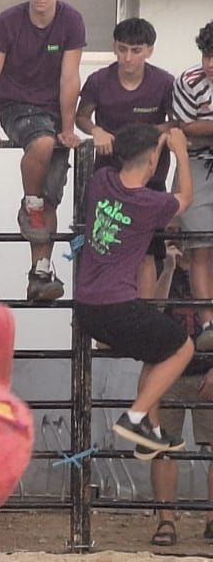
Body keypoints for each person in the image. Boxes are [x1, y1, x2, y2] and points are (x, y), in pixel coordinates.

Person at [73, 124, 194, 457]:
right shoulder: (151, 203)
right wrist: (181, 152)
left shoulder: (102, 181)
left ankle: (150, 432)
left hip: (87, 306)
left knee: (158, 349)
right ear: (153, 162)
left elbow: (112, 156)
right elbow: (186, 198)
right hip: (118, 306)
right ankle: (134, 417)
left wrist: (112, 135)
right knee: (183, 348)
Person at [0, 0, 86, 303]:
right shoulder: (7, 22)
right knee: (40, 144)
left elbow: (70, 78)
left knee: (53, 188)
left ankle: (41, 271)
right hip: (17, 106)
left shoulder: (72, 21)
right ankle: (30, 202)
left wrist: (69, 127)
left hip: (54, 111)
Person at [77, 17, 178, 306]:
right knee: (103, 248)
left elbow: (177, 123)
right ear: (114, 47)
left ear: (149, 51)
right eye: (122, 49)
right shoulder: (99, 80)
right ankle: (103, 329)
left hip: (151, 180)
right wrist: (96, 130)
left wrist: (148, 137)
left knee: (147, 252)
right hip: (108, 178)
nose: (128, 57)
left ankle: (142, 317)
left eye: (136, 50)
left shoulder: (164, 82)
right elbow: (81, 116)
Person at [147, 256, 213, 550]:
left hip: (206, 370)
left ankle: (211, 520)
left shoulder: (208, 268)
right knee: (163, 447)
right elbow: (150, 312)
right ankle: (166, 520)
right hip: (169, 367)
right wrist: (169, 269)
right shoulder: (159, 266)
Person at [170, 21, 213, 346]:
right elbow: (183, 128)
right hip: (197, 163)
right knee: (199, 246)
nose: (209, 63)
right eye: (205, 55)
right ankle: (208, 324)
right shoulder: (188, 80)